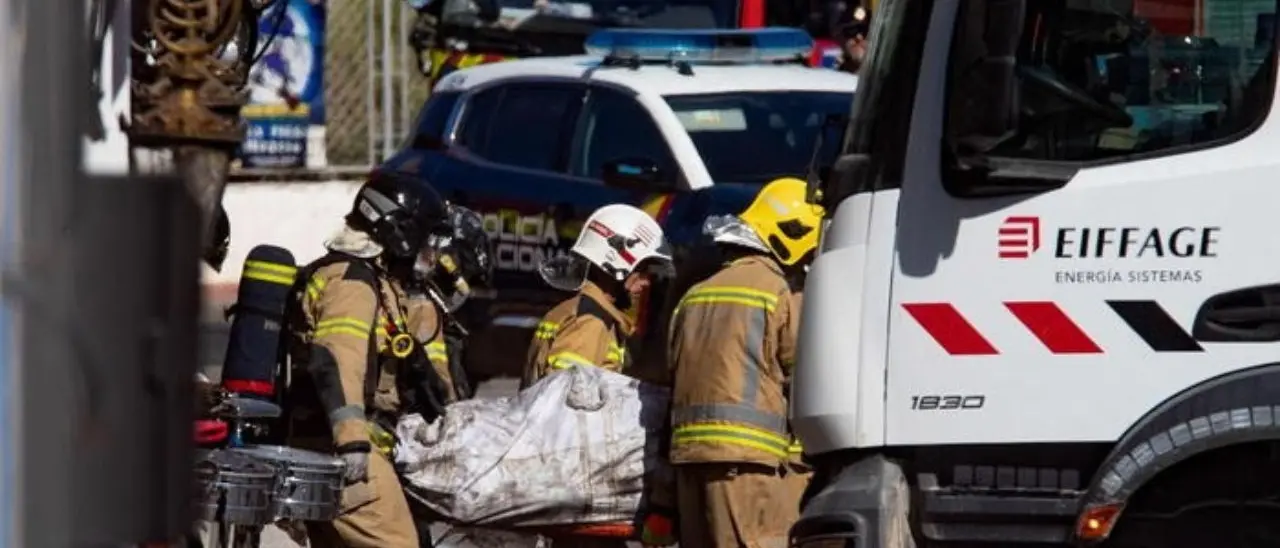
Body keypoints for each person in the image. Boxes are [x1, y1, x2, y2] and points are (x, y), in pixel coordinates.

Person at [283, 173, 456, 548]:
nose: (430, 253)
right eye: (425, 240)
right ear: (400, 232)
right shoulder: (353, 284)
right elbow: (335, 358)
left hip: (328, 449)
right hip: (346, 455)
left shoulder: (374, 283)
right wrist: (352, 443)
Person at [666, 177, 824, 548]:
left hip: (689, 467)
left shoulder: (694, 295)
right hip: (748, 469)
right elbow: (807, 378)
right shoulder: (780, 293)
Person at [522, 203, 677, 548]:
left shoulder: (573, 311)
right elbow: (564, 407)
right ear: (617, 264)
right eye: (643, 271)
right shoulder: (590, 323)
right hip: (575, 484)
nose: (646, 283)